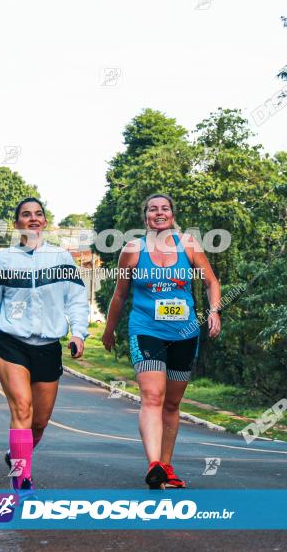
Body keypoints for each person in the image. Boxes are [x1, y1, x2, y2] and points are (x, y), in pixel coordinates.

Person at [0, 197, 90, 493]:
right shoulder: (3, 260)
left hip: (49, 347)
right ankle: (21, 478)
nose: (33, 219)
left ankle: (16, 455)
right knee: (22, 407)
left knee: (39, 422)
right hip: (12, 344)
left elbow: (76, 300)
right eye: (26, 215)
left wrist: (79, 333)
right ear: (17, 224)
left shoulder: (62, 258)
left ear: (45, 222)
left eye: (38, 214)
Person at [102, 194, 221, 489]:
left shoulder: (189, 245)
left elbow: (211, 282)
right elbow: (120, 294)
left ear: (172, 214)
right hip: (146, 330)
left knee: (172, 403)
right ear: (145, 217)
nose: (159, 212)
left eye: (164, 208)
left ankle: (166, 466)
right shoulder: (133, 250)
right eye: (153, 209)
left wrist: (215, 311)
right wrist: (109, 328)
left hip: (184, 334)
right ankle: (153, 463)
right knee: (153, 397)